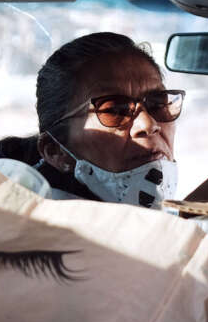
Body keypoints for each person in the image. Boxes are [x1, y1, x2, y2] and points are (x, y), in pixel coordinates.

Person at [28, 32, 185, 208]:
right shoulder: (40, 228)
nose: (149, 125)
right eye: (115, 110)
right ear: (57, 152)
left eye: (158, 104)